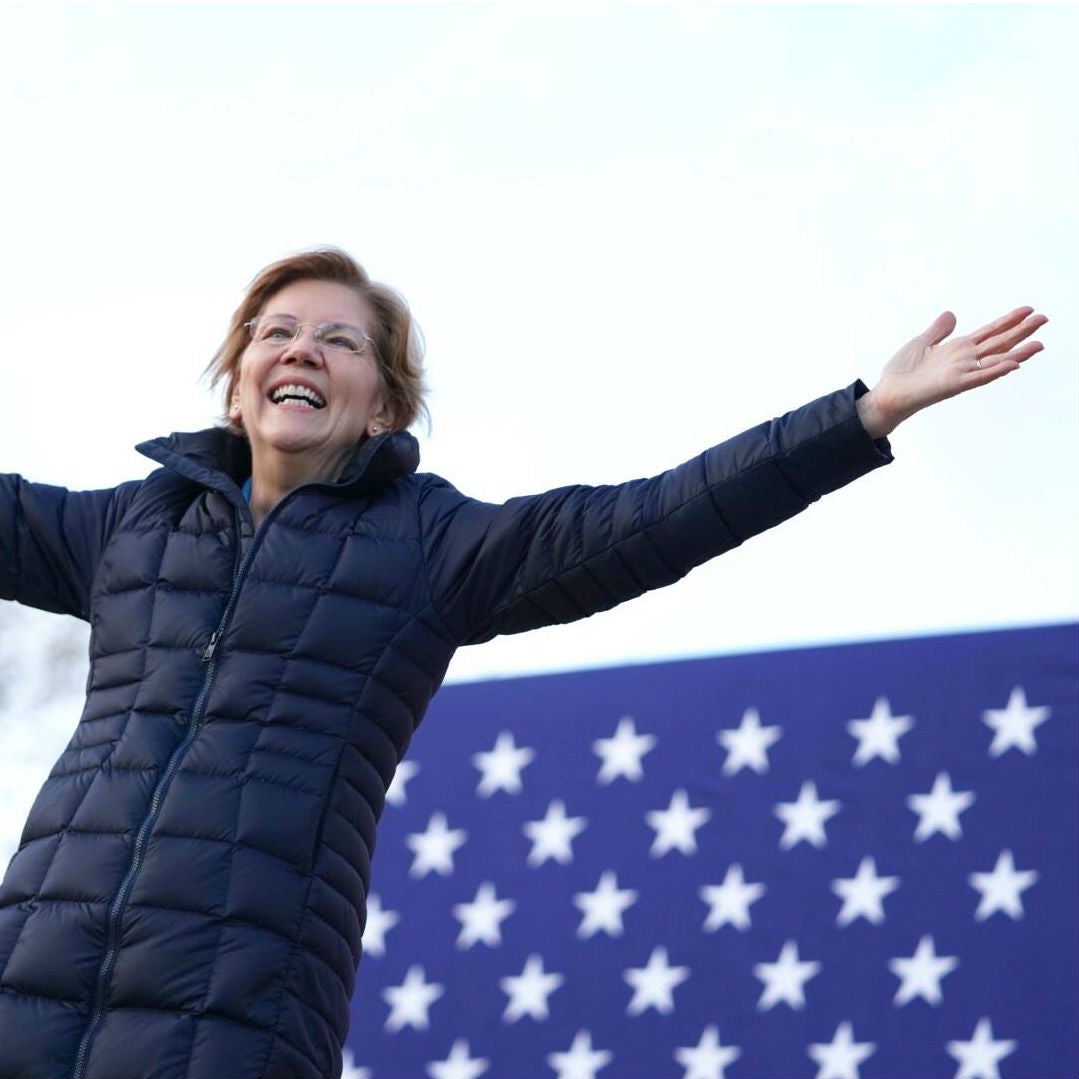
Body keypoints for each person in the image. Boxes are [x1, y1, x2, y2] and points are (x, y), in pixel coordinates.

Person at [0, 247, 1046, 1079]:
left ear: (381, 406)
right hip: (28, 973)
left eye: (338, 340)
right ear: (236, 387)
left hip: (239, 1005)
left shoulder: (430, 543)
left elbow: (653, 519)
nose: (301, 350)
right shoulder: (135, 524)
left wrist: (858, 415)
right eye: (275, 333)